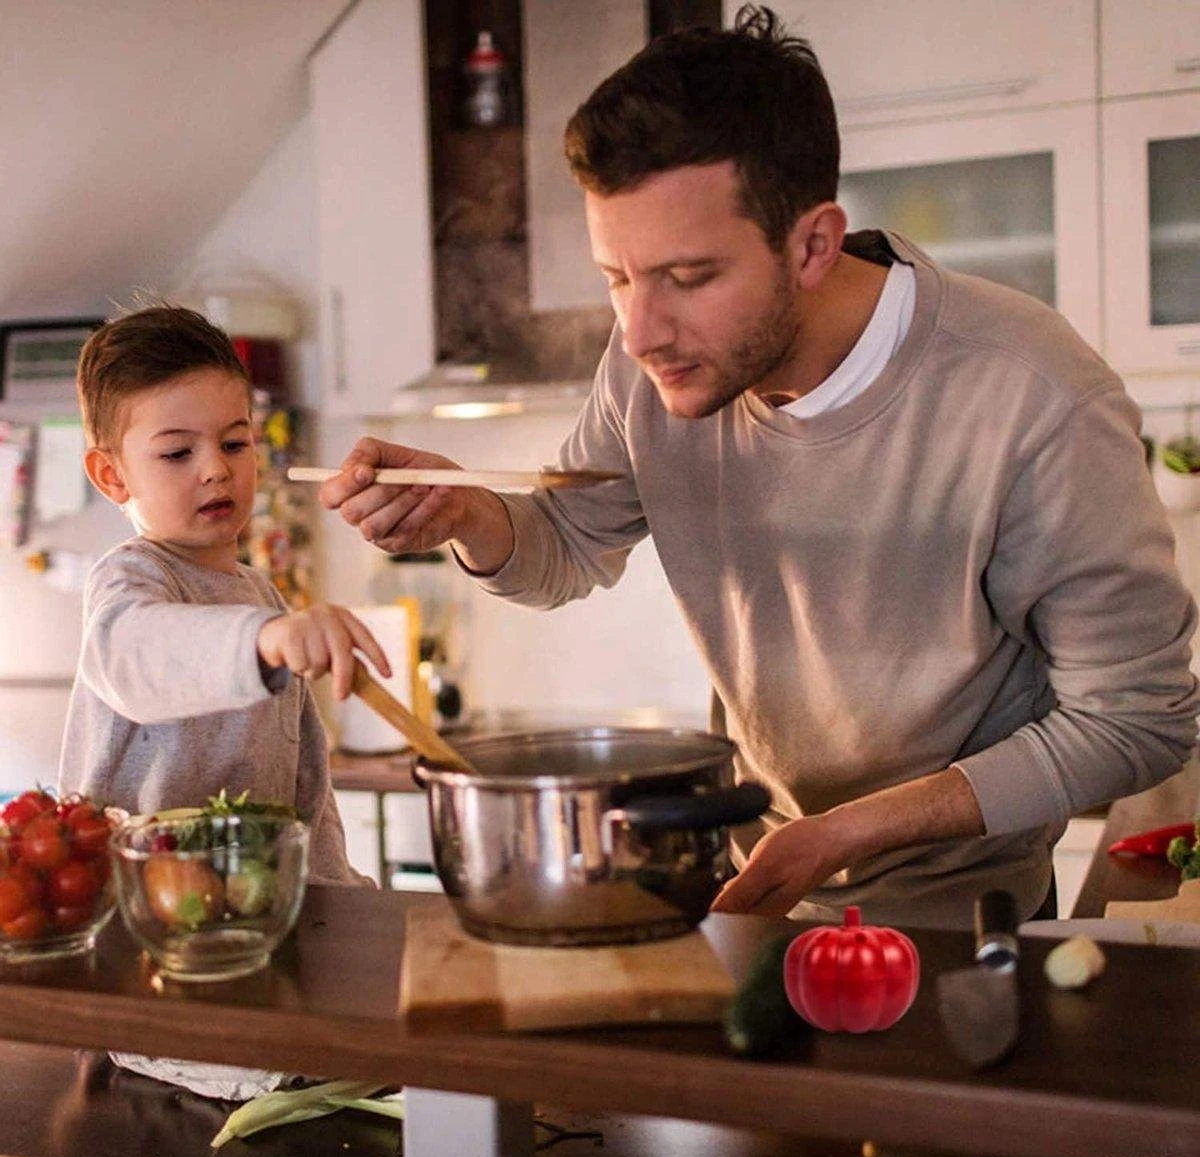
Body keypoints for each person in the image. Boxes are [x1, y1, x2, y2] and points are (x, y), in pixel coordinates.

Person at [317, 7, 1200, 928]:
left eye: (689, 278)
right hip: (754, 890)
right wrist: (465, 515)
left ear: (813, 244)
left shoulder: (1031, 394)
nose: (637, 331)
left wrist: (846, 833)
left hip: (962, 919)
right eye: (617, 276)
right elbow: (568, 545)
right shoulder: (651, 367)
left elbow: (1136, 719)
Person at [60, 304, 388, 886]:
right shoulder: (128, 579)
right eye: (177, 453)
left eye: (235, 443)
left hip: (253, 914)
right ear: (112, 476)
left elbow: (305, 785)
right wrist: (265, 639)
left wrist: (336, 893)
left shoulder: (262, 597)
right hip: (138, 924)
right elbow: (138, 653)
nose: (215, 469)